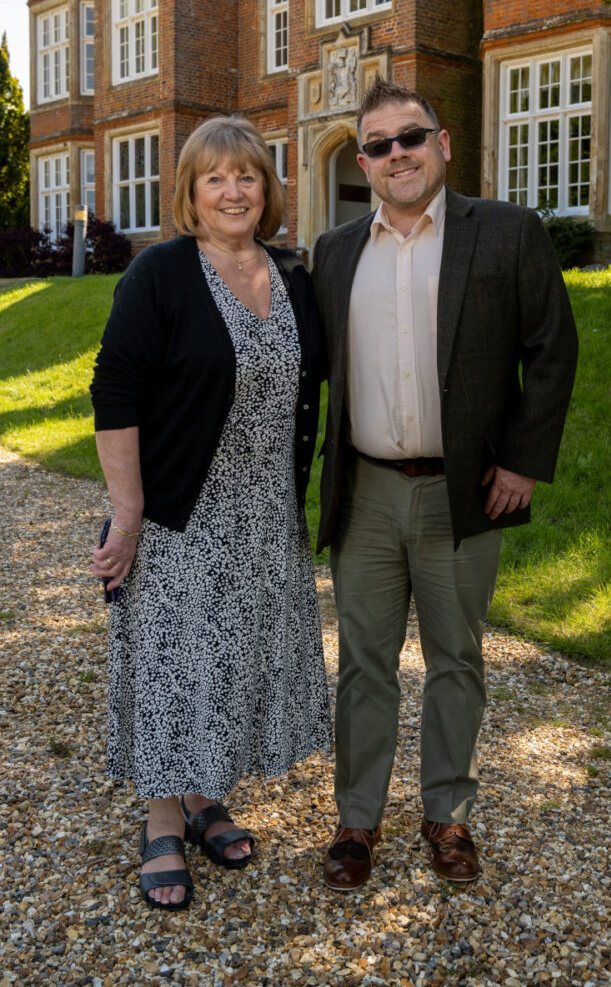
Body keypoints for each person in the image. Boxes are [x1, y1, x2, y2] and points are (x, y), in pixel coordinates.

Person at [312, 78, 578, 891]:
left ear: (443, 142)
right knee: (362, 662)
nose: (398, 154)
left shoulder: (502, 233)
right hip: (364, 492)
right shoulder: (334, 252)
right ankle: (357, 822)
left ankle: (446, 813)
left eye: (411, 137)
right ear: (362, 160)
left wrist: (524, 460)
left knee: (456, 656)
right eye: (380, 145)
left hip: (461, 492)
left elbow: (553, 348)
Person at [89, 116, 331, 911]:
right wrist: (127, 515)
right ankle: (161, 820)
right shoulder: (160, 273)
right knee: (169, 663)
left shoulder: (292, 275)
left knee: (229, 662)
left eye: (248, 176)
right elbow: (114, 393)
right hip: (178, 513)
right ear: (190, 193)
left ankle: (201, 799)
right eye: (215, 178)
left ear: (268, 189)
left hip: (265, 514)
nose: (234, 191)